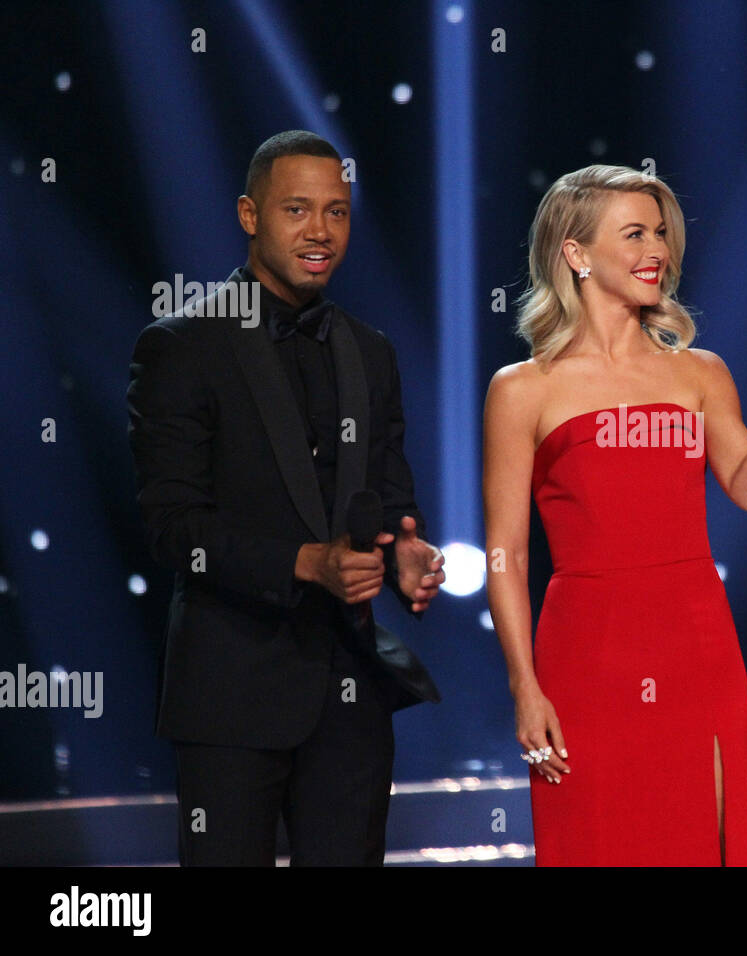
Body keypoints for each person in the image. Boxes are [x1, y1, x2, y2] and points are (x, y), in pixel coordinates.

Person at [482, 164, 747, 865]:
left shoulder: (699, 373)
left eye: (660, 232)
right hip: (586, 656)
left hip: (694, 645)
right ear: (576, 253)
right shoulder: (523, 390)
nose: (657, 248)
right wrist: (525, 687)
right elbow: (508, 554)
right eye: (634, 233)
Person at [126, 130, 445, 866]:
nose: (319, 231)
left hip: (352, 695)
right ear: (249, 215)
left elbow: (392, 495)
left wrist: (406, 553)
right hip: (232, 695)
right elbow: (175, 527)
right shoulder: (181, 346)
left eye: (336, 212)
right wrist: (305, 562)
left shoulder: (371, 350)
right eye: (297, 210)